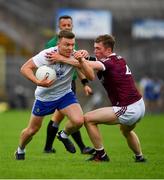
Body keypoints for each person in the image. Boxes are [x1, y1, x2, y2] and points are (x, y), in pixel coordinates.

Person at [49, 34, 146, 163]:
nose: (95, 50)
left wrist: (61, 58)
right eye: (94, 48)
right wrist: (81, 55)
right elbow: (93, 60)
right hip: (139, 105)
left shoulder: (107, 63)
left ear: (108, 50)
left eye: (98, 48)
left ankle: (101, 155)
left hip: (127, 108)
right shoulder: (118, 59)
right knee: (125, 130)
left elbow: (89, 65)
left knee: (88, 119)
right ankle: (139, 157)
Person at [15, 30, 95, 160]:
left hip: (65, 95)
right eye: (66, 44)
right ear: (58, 43)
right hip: (44, 98)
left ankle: (63, 135)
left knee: (79, 121)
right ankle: (20, 149)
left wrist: (78, 60)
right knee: (32, 130)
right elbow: (25, 68)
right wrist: (38, 82)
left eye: (72, 44)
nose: (70, 48)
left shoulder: (76, 55)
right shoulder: (47, 54)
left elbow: (91, 76)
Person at [43, 15, 94, 154]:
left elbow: (77, 66)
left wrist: (85, 83)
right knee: (70, 117)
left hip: (70, 83)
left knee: (60, 117)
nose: (66, 27)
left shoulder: (72, 43)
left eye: (68, 25)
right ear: (59, 27)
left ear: (72, 26)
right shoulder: (52, 44)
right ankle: (82, 147)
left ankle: (48, 148)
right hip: (57, 85)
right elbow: (53, 64)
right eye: (63, 25)